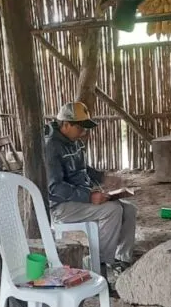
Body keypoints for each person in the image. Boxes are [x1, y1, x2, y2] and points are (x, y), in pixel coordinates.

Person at [44, 102, 137, 273]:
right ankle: (97, 266)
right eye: (80, 127)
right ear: (65, 124)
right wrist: (88, 196)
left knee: (129, 209)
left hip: (80, 198)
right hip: (60, 206)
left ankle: (121, 260)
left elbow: (83, 169)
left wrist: (103, 178)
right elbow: (55, 188)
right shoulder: (51, 147)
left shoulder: (73, 141)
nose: (84, 132)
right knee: (112, 210)